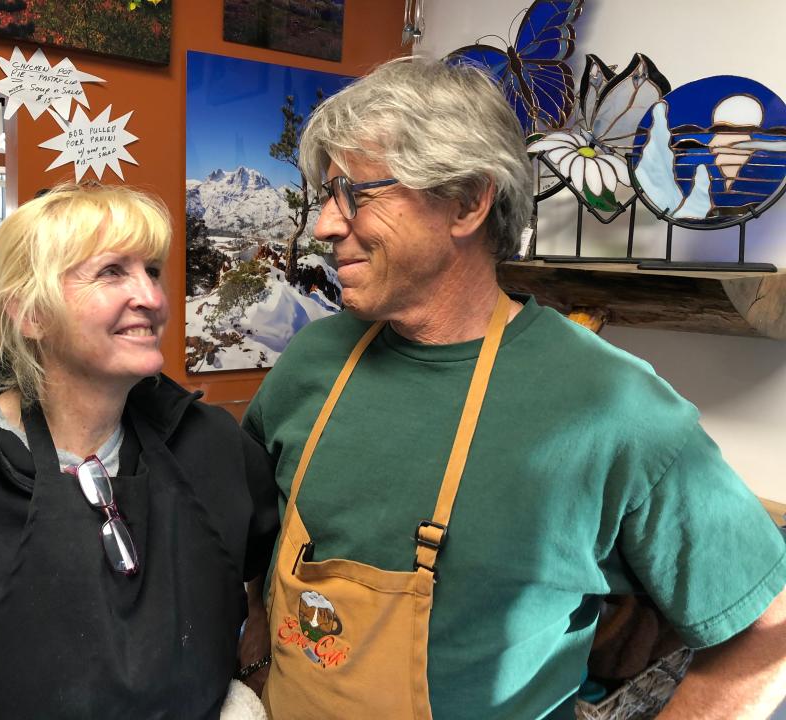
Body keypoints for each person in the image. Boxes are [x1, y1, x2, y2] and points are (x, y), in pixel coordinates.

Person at [242, 58, 786, 719]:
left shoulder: (616, 408)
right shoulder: (310, 363)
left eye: (355, 194)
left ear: (469, 201)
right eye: (325, 196)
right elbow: (254, 541)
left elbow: (767, 632)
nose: (326, 225)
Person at [0, 183, 278, 718]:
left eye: (152, 271)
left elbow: (265, 572)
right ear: (30, 314)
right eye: (112, 271)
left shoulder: (214, 448)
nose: (154, 299)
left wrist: (252, 668)